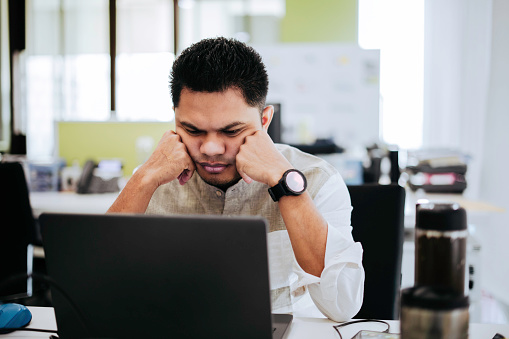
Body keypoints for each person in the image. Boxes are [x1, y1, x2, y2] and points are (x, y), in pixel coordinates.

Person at [108, 37, 364, 321]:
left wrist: (283, 181)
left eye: (231, 131)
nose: (211, 149)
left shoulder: (317, 179)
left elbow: (342, 305)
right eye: (192, 130)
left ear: (264, 121)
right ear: (176, 120)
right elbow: (95, 285)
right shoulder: (152, 179)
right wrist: (143, 180)